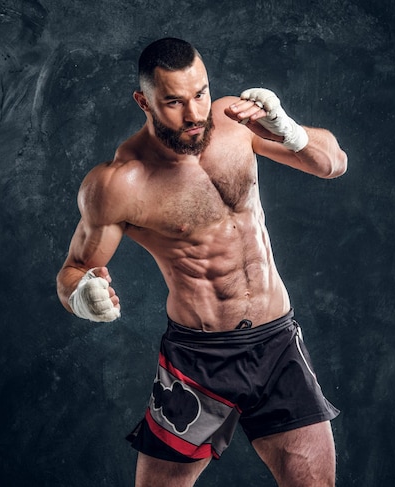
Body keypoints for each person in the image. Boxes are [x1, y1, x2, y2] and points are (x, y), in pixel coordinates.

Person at [56, 37, 347, 487]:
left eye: (200, 93)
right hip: (199, 359)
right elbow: (74, 270)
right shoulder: (119, 183)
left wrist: (290, 130)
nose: (193, 114)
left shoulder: (237, 121)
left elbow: (334, 164)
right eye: (173, 102)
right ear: (144, 101)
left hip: (277, 345)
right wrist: (82, 296)